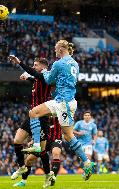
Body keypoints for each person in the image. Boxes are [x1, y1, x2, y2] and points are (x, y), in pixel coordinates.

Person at [21, 40, 95, 180]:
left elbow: (48, 81)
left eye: (55, 48)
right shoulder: (75, 63)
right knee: (68, 136)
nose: (54, 51)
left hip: (62, 102)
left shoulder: (58, 63)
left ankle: (37, 145)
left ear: (61, 49)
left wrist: (42, 71)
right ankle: (87, 162)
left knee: (33, 112)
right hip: (71, 102)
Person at [9, 57, 55, 188]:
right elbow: (33, 76)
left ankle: (47, 176)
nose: (34, 67)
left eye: (35, 65)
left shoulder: (45, 77)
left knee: (40, 153)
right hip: (31, 116)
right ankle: (22, 168)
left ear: (43, 67)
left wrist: (19, 63)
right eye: (33, 65)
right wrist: (26, 77)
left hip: (42, 118)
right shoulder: (36, 79)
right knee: (17, 141)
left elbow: (34, 74)